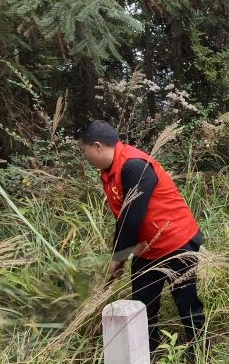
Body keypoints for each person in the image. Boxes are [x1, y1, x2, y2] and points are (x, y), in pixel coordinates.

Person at [77, 120, 205, 352]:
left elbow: (132, 218)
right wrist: (120, 256)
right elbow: (123, 219)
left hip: (177, 243)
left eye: (84, 151)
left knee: (187, 306)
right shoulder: (109, 172)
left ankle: (200, 359)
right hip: (147, 249)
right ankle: (149, 358)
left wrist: (118, 258)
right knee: (142, 308)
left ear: (97, 146)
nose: (85, 157)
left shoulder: (134, 166)